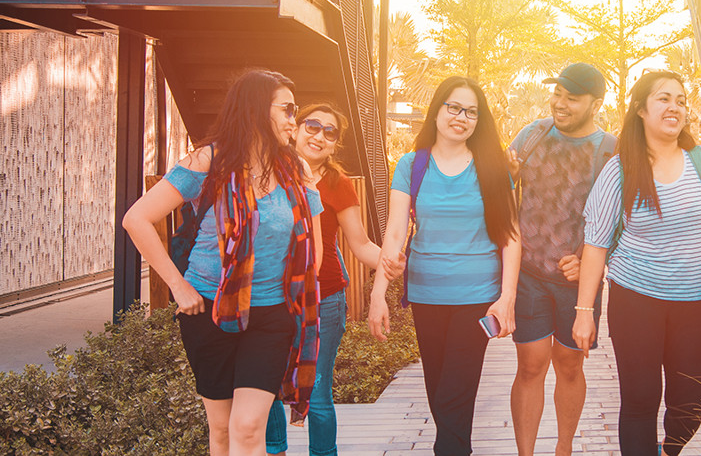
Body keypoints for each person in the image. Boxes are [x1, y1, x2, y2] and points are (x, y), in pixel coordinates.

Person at [122, 70, 324, 456]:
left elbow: (311, 242)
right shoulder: (207, 161)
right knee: (221, 431)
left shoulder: (295, 169)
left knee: (247, 428)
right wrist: (178, 287)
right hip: (208, 310)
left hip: (270, 314)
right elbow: (136, 219)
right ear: (255, 109)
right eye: (287, 109)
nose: (292, 119)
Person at [573, 70, 701, 456]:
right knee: (640, 400)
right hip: (636, 301)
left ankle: (669, 450)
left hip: (693, 303)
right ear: (640, 110)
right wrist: (585, 312)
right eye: (664, 98)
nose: (675, 107)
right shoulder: (619, 171)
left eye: (681, 100)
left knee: (690, 405)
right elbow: (596, 246)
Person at [368, 76, 521, 456]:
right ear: (437, 110)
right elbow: (395, 232)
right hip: (426, 294)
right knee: (439, 391)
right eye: (454, 107)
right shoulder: (412, 164)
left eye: (471, 111)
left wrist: (507, 298)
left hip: (477, 297)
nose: (462, 117)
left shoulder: (491, 166)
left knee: (456, 390)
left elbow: (511, 236)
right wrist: (377, 294)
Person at [265, 103, 405, 456]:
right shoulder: (268, 171)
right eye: (313, 126)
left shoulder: (336, 183)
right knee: (264, 385)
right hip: (269, 295)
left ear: (334, 145)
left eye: (330, 132)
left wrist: (391, 263)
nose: (320, 136)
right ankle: (274, 450)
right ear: (295, 128)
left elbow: (360, 244)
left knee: (318, 388)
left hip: (324, 296)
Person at [507, 62, 615, 456]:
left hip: (578, 283)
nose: (560, 104)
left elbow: (620, 218)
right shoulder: (532, 135)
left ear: (595, 104)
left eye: (572, 98)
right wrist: (508, 174)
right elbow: (501, 192)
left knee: (569, 366)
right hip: (530, 273)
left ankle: (564, 449)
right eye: (558, 95)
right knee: (531, 364)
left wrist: (590, 258)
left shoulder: (609, 149)